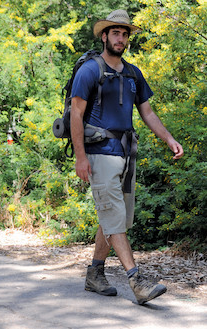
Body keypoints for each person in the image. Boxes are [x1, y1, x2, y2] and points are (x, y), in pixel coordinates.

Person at [70, 9, 184, 304]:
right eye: (115, 33)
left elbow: (147, 112)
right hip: (98, 153)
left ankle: (95, 273)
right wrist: (80, 157)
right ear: (104, 35)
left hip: (126, 154)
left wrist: (169, 138)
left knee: (114, 217)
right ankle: (137, 281)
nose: (120, 38)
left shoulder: (133, 73)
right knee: (114, 216)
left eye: (125, 34)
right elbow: (77, 115)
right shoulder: (90, 70)